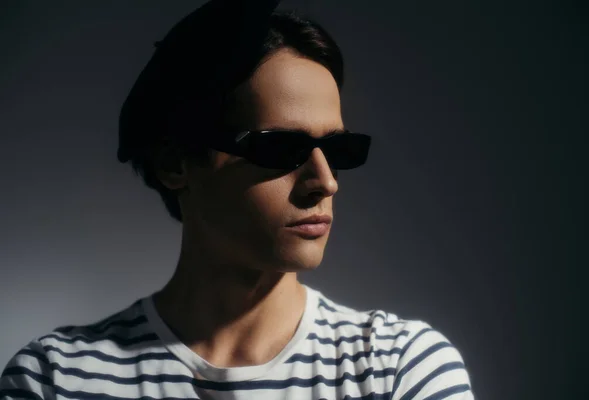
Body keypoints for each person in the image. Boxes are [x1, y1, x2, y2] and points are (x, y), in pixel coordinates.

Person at [0, 0, 475, 398]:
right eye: (279, 149)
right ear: (175, 163)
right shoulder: (53, 379)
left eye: (338, 149)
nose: (325, 182)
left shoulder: (400, 368)